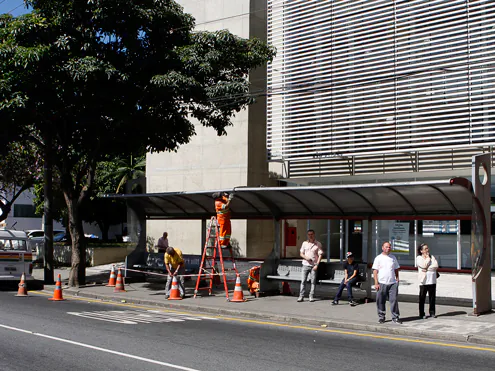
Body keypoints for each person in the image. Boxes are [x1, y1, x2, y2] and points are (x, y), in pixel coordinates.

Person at [372, 241, 402, 324]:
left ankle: (395, 317)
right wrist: (376, 283)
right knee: (380, 301)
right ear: (382, 247)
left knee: (394, 300)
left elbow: (396, 269)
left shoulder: (393, 258)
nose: (388, 248)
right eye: (386, 247)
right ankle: (381, 317)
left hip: (392, 283)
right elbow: (375, 271)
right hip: (381, 283)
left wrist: (397, 279)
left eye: (389, 247)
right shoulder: (378, 258)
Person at [297, 229, 323, 303]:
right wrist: (306, 257)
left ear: (314, 234)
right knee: (303, 281)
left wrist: (317, 265)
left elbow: (320, 255)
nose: (310, 236)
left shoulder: (318, 244)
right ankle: (301, 296)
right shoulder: (304, 243)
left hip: (314, 265)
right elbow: (301, 253)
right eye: (309, 234)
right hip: (305, 264)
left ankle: (311, 296)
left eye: (311, 234)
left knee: (313, 281)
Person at [416, 243, 438, 319]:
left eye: (427, 248)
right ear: (421, 251)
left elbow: (435, 266)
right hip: (424, 281)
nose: (426, 250)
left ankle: (432, 312)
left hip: (432, 280)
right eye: (424, 249)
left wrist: (426, 268)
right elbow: (422, 265)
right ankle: (421, 313)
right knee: (422, 298)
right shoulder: (419, 258)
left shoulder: (432, 257)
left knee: (432, 298)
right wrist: (427, 259)